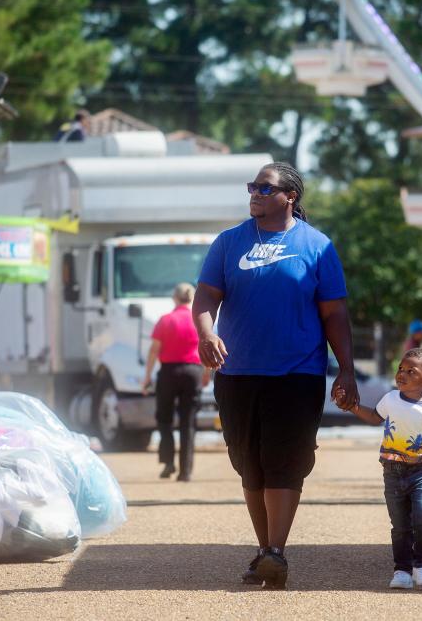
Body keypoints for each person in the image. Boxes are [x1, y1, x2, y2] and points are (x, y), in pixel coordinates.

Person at [193, 161, 358, 590]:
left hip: (297, 374)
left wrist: (347, 370)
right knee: (250, 465)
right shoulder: (229, 243)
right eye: (253, 187)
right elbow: (206, 296)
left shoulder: (316, 246)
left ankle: (276, 553)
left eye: (265, 189)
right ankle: (265, 548)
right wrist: (207, 334)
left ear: (290, 197)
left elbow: (335, 313)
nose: (255, 194)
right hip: (238, 373)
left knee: (284, 462)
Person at [345, 348, 422, 589]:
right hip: (392, 472)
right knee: (400, 524)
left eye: (410, 372)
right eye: (400, 369)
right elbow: (375, 417)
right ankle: (402, 570)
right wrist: (353, 407)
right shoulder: (391, 399)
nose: (401, 374)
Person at [142, 283, 208, 482]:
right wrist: (207, 373)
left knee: (164, 419)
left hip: (169, 372)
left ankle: (168, 462)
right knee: (188, 422)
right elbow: (208, 345)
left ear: (174, 298)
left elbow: (154, 350)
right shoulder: (199, 321)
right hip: (193, 372)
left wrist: (147, 377)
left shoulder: (165, 320)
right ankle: (185, 471)